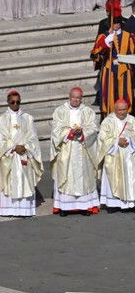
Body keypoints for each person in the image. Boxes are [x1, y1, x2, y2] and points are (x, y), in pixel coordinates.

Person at [50, 87, 100, 216]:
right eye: (74, 97)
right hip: (67, 150)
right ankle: (64, 207)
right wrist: (69, 133)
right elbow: (55, 129)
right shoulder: (60, 111)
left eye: (78, 98)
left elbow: (93, 128)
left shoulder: (88, 111)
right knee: (66, 177)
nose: (76, 100)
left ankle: (84, 207)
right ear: (69, 97)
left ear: (81, 98)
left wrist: (83, 132)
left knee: (83, 177)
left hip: (82, 150)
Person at [0, 90, 43, 217]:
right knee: (10, 181)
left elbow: (33, 137)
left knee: (24, 180)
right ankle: (9, 210)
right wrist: (13, 147)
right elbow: (0, 139)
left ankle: (24, 210)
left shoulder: (27, 118)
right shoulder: (2, 119)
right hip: (10, 156)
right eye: (13, 102)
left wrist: (25, 147)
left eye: (18, 102)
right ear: (8, 102)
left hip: (24, 154)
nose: (15, 104)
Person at [91, 15, 135, 115]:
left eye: (117, 22)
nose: (116, 25)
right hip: (109, 70)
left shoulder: (129, 36)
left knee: (125, 95)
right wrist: (105, 45)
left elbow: (132, 53)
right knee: (109, 95)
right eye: (114, 23)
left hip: (124, 70)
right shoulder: (103, 37)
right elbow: (94, 55)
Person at [97, 98, 135, 211]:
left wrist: (129, 140)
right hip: (113, 156)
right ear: (115, 109)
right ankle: (112, 204)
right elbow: (102, 138)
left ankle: (129, 204)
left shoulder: (132, 120)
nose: (122, 112)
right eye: (119, 110)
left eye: (124, 109)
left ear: (127, 108)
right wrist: (117, 141)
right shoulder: (108, 121)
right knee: (112, 178)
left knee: (129, 178)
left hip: (129, 156)